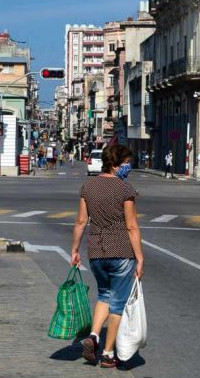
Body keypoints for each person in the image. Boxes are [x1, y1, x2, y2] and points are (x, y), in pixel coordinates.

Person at [71, 145, 144, 369]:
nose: (128, 167)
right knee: (118, 304)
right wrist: (140, 258)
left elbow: (81, 222)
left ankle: (93, 336)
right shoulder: (125, 189)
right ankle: (108, 353)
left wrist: (74, 249)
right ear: (114, 164)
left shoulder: (88, 186)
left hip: (96, 251)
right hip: (122, 252)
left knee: (104, 294)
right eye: (125, 163)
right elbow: (131, 226)